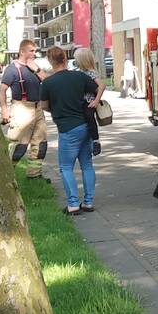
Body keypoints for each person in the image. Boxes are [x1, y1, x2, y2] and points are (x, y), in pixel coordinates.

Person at [38, 47, 101, 215]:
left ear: (50, 61)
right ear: (65, 59)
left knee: (66, 167)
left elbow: (44, 106)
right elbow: (98, 88)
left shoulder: (48, 83)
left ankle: (73, 204)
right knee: (87, 164)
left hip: (67, 128)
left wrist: (56, 109)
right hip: (85, 125)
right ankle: (88, 202)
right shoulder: (80, 76)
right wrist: (94, 102)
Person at [0, 39, 50, 182]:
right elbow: (2, 90)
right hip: (21, 109)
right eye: (31, 51)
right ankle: (5, 177)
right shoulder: (12, 69)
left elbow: (47, 82)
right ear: (22, 52)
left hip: (38, 108)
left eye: (35, 51)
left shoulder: (34, 67)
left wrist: (37, 69)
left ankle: (34, 175)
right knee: (18, 146)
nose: (34, 53)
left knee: (40, 144)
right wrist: (4, 111)